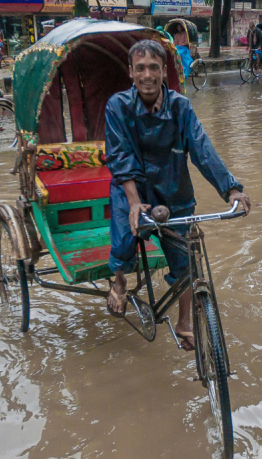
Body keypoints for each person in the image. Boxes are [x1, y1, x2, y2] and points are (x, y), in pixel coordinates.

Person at [104, 40, 250, 351]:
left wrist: (232, 189)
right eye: (140, 68)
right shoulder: (117, 106)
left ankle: (185, 320)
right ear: (130, 72)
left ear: (163, 72)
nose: (147, 75)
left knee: (186, 259)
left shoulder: (180, 107)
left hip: (173, 187)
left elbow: (201, 149)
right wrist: (133, 203)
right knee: (124, 239)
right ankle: (119, 281)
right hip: (132, 187)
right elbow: (119, 157)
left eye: (154, 68)